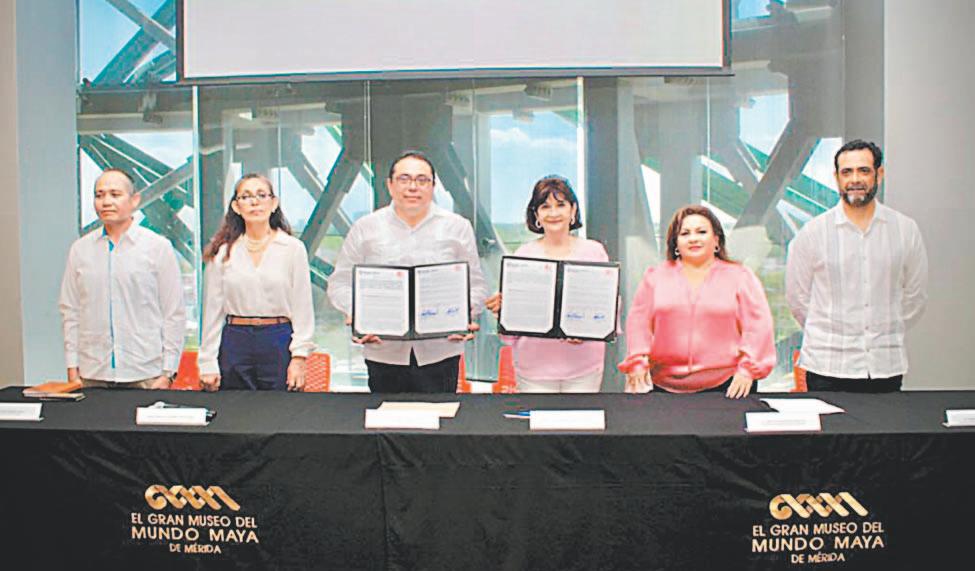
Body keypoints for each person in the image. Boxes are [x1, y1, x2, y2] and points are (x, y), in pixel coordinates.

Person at [327, 150, 488, 393]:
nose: (413, 187)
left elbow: (477, 285)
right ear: (390, 185)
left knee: (440, 415)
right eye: (404, 179)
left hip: (441, 351)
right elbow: (339, 284)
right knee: (386, 416)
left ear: (433, 186)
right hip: (383, 351)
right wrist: (359, 314)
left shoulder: (457, 227)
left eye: (422, 180)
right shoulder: (365, 228)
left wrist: (462, 315)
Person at [786, 140, 928, 392]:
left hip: (885, 365)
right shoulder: (813, 233)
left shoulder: (905, 230)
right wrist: (831, 333)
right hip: (826, 367)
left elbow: (915, 297)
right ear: (836, 178)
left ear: (879, 174)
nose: (855, 179)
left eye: (863, 171)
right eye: (847, 172)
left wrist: (883, 330)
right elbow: (798, 300)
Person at [619, 205, 775, 398]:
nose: (693, 238)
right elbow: (638, 324)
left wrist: (748, 370)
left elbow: (758, 327)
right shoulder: (654, 277)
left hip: (730, 385)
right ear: (675, 243)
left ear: (716, 239)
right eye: (685, 233)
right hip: (662, 386)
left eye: (701, 232)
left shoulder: (740, 276)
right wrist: (637, 362)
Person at [59, 168, 185, 389]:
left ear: (134, 200)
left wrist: (168, 372)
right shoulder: (80, 250)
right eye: (99, 195)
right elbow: (71, 310)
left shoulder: (157, 247)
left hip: (145, 372)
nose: (106, 202)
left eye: (115, 194)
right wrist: (72, 366)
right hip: (92, 373)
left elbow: (173, 312)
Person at [485, 175, 610, 393]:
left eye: (560, 205)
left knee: (582, 416)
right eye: (545, 206)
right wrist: (504, 310)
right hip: (534, 368)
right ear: (536, 215)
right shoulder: (523, 255)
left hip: (584, 366)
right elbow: (512, 326)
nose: (553, 213)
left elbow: (609, 306)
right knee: (537, 416)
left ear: (573, 210)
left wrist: (588, 329)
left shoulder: (594, 252)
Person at [198, 174, 314, 392]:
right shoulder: (223, 252)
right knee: (235, 407)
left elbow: (303, 307)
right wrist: (207, 361)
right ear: (236, 206)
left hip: (278, 338)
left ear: (274, 203)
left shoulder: (292, 248)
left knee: (281, 408)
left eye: (262, 195)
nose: (254, 202)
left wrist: (299, 357)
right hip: (235, 339)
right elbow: (212, 311)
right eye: (246, 196)